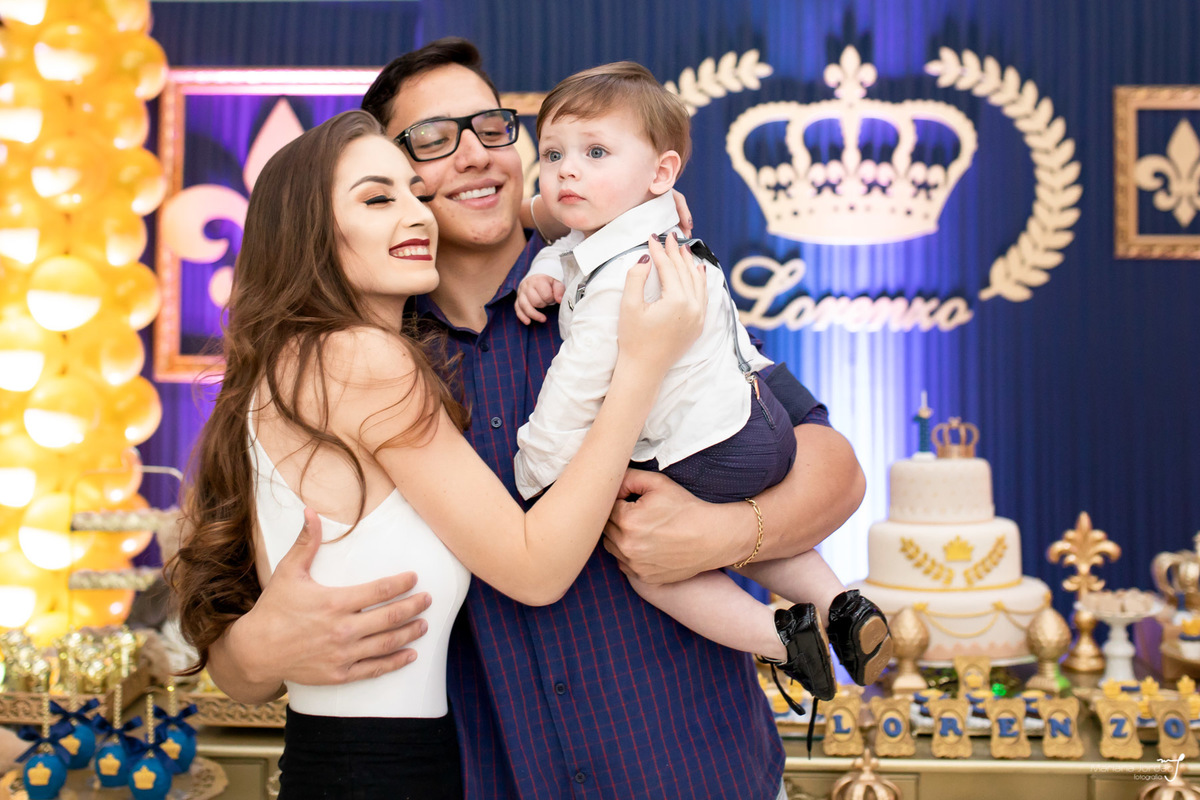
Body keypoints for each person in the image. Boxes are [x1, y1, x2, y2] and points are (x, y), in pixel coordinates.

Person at [203, 38, 867, 799]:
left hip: (694, 771)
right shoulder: (364, 360)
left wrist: (722, 533)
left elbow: (834, 468)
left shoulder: (632, 278)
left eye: (491, 127)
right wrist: (258, 651)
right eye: (432, 138)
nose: (475, 154)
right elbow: (234, 632)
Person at [167, 108, 708, 799]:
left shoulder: (291, 362)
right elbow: (536, 568)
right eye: (378, 199)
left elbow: (243, 657)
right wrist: (640, 366)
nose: (417, 216)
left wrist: (627, 212)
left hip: (346, 762)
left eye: (416, 194)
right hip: (385, 772)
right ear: (310, 232)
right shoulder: (362, 358)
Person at [512, 61, 893, 705]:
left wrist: (536, 479)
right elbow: (570, 240)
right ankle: (840, 604)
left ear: (661, 173)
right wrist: (544, 269)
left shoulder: (625, 280)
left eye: (595, 152)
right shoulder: (655, 235)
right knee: (734, 529)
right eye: (553, 154)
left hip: (708, 447)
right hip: (757, 417)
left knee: (656, 563)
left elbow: (570, 394)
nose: (567, 170)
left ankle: (781, 638)